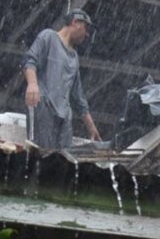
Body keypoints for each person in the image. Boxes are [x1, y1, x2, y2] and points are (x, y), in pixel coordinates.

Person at [22, 8, 102, 149]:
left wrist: (91, 127)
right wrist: (32, 84)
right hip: (44, 105)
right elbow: (30, 60)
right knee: (42, 153)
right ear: (75, 22)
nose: (87, 34)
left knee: (64, 159)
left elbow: (78, 96)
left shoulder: (74, 57)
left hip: (64, 115)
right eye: (86, 28)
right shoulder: (49, 37)